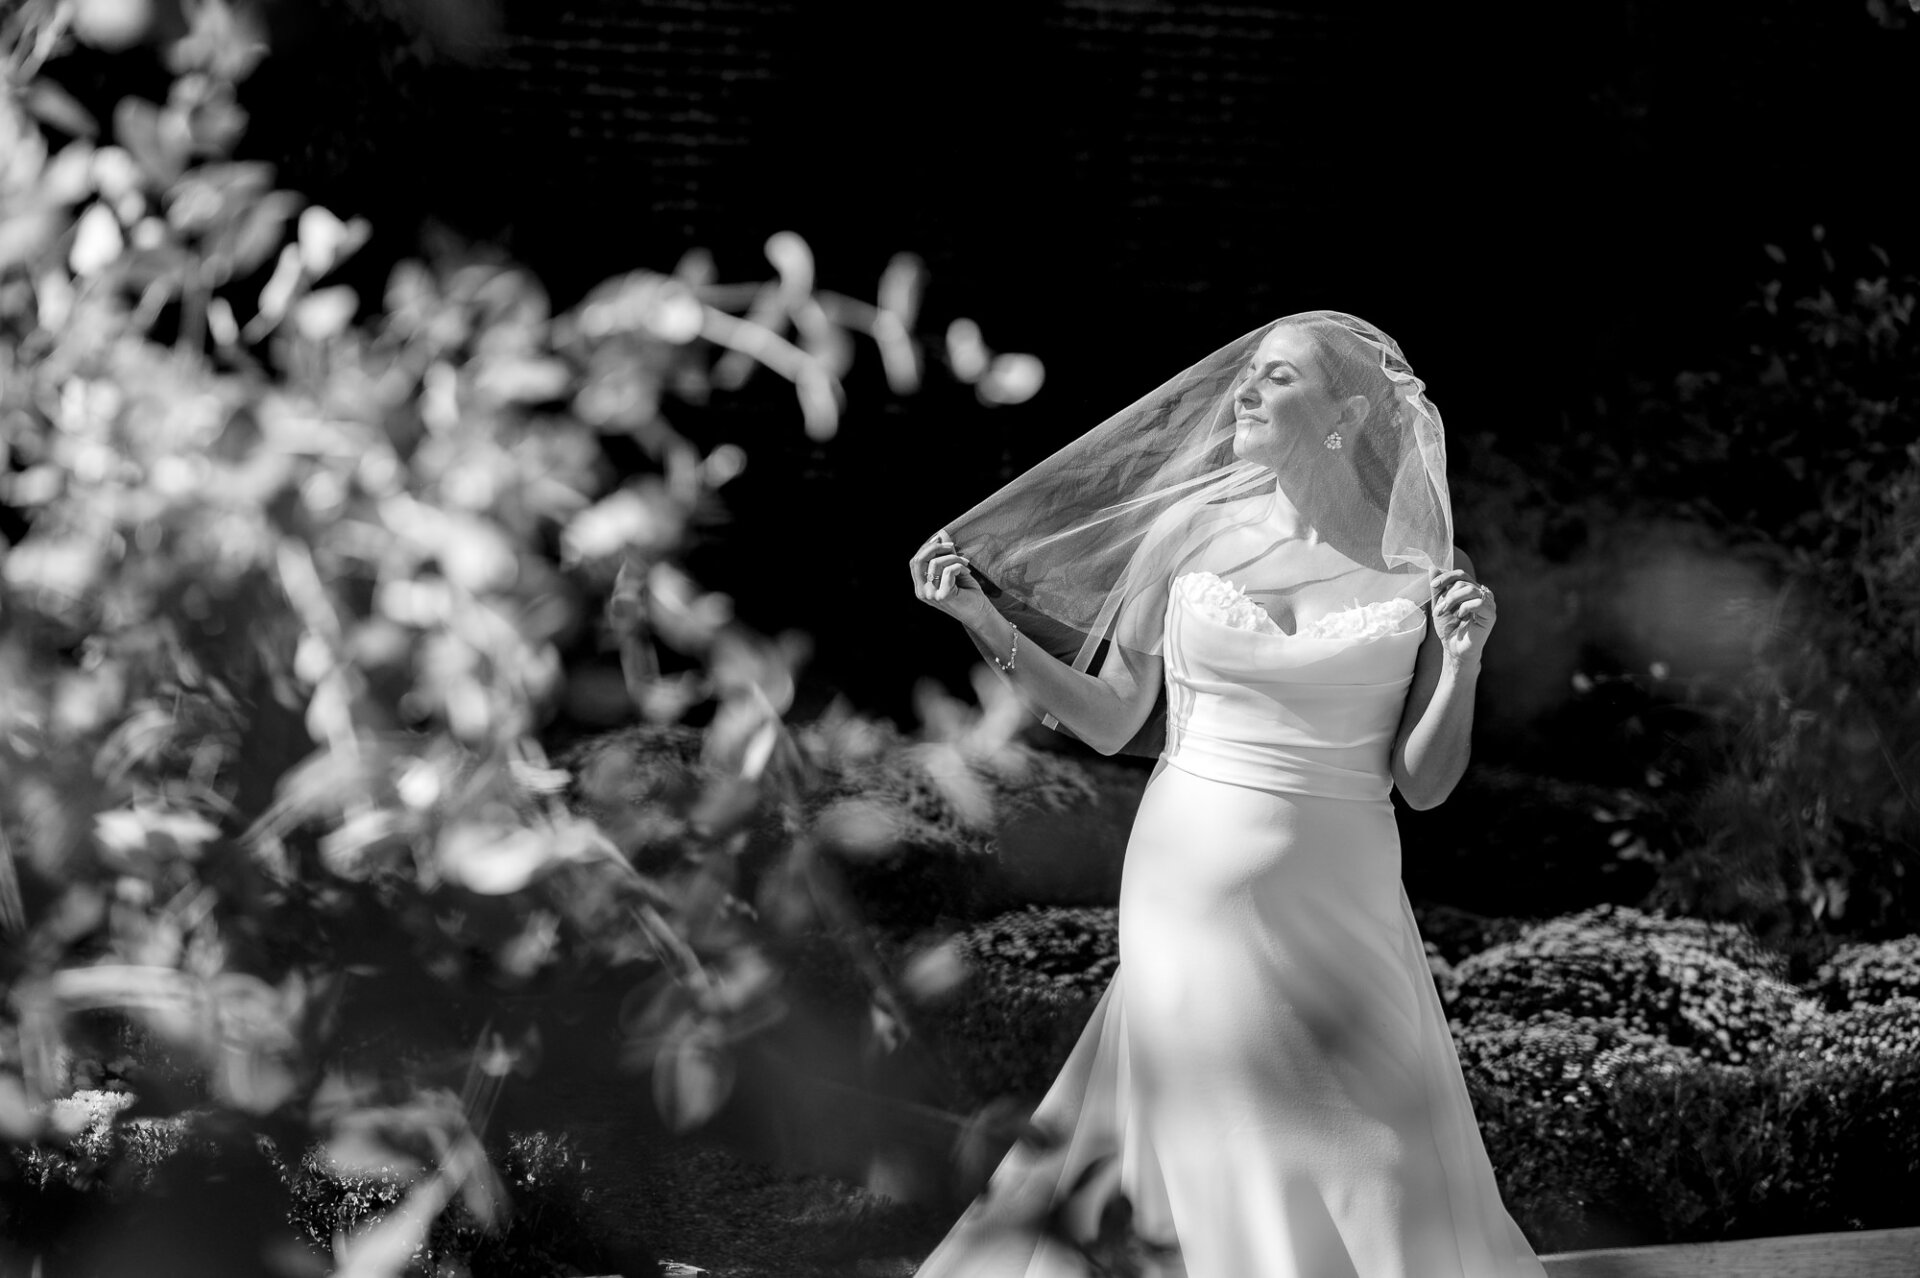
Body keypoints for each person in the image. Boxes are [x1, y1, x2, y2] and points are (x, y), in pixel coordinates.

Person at [905, 312, 1545, 1278]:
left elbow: (1424, 782)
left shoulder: (1423, 573)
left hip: (1344, 894)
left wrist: (1462, 665)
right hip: (1187, 882)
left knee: (1371, 1145)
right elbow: (1117, 718)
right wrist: (979, 618)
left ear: (1342, 416)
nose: (1243, 391)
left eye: (1276, 378)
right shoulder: (1188, 531)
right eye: (1247, 374)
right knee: (1211, 1134)